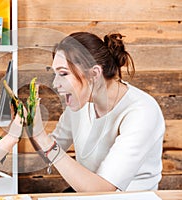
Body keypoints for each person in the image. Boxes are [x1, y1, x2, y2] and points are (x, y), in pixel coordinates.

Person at [30, 32, 165, 192]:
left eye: (63, 73)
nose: (55, 83)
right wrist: (31, 127)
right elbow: (50, 151)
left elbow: (103, 190)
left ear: (94, 74)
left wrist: (42, 138)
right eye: (55, 74)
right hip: (87, 193)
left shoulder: (142, 112)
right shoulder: (81, 102)